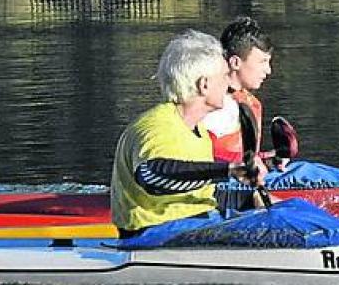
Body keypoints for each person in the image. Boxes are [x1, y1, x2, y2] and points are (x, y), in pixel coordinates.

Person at [111, 30, 267, 236]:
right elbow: (151, 175)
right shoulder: (156, 127)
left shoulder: (199, 131)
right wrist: (228, 170)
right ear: (204, 85)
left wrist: (249, 199)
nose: (229, 83)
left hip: (190, 228)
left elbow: (197, 196)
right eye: (224, 76)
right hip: (155, 237)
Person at [202, 17, 274, 165]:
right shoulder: (209, 105)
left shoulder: (251, 102)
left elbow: (246, 158)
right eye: (262, 62)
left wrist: (269, 159)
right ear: (235, 62)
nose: (268, 70)